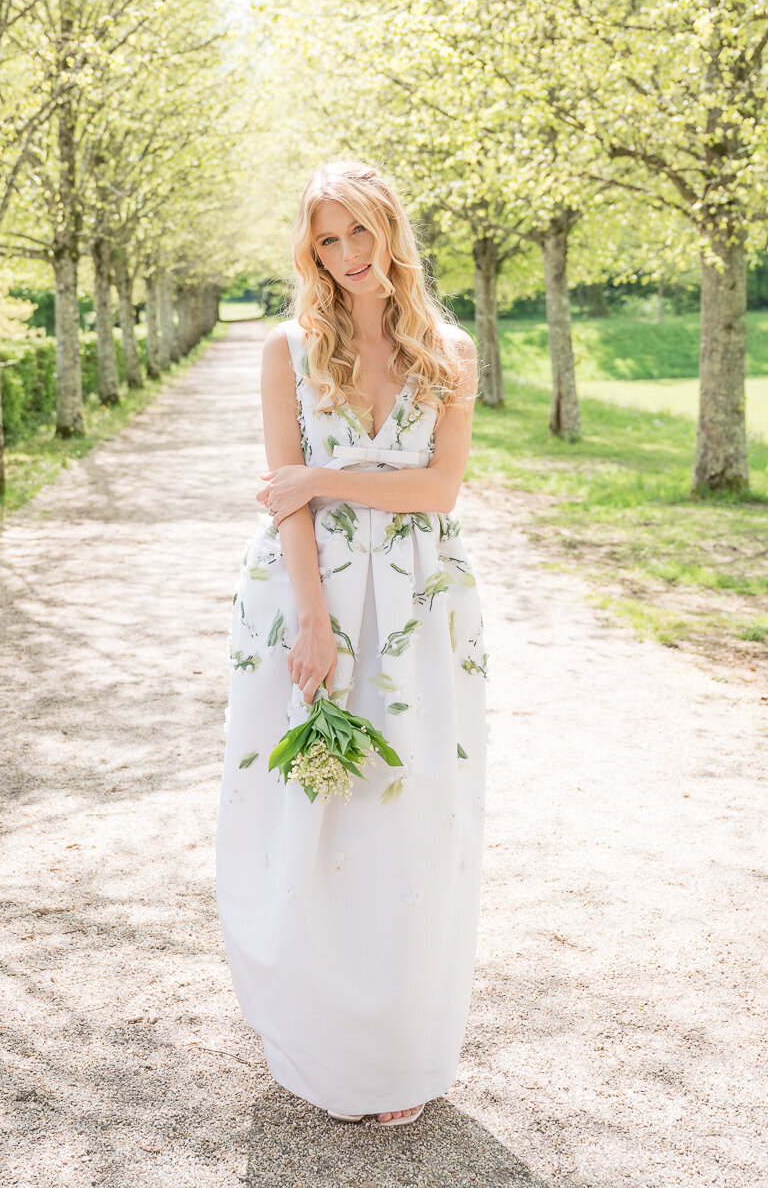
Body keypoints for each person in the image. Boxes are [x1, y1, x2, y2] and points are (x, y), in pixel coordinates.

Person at [215, 157, 487, 1125]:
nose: (344, 257)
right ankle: (320, 1040)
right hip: (306, 592)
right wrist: (313, 619)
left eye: (359, 234)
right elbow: (282, 501)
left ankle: (398, 1055)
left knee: (411, 814)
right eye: (325, 241)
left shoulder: (447, 349)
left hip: (421, 601)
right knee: (309, 812)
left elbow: (438, 490)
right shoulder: (286, 350)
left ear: (391, 231)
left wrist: (325, 481)